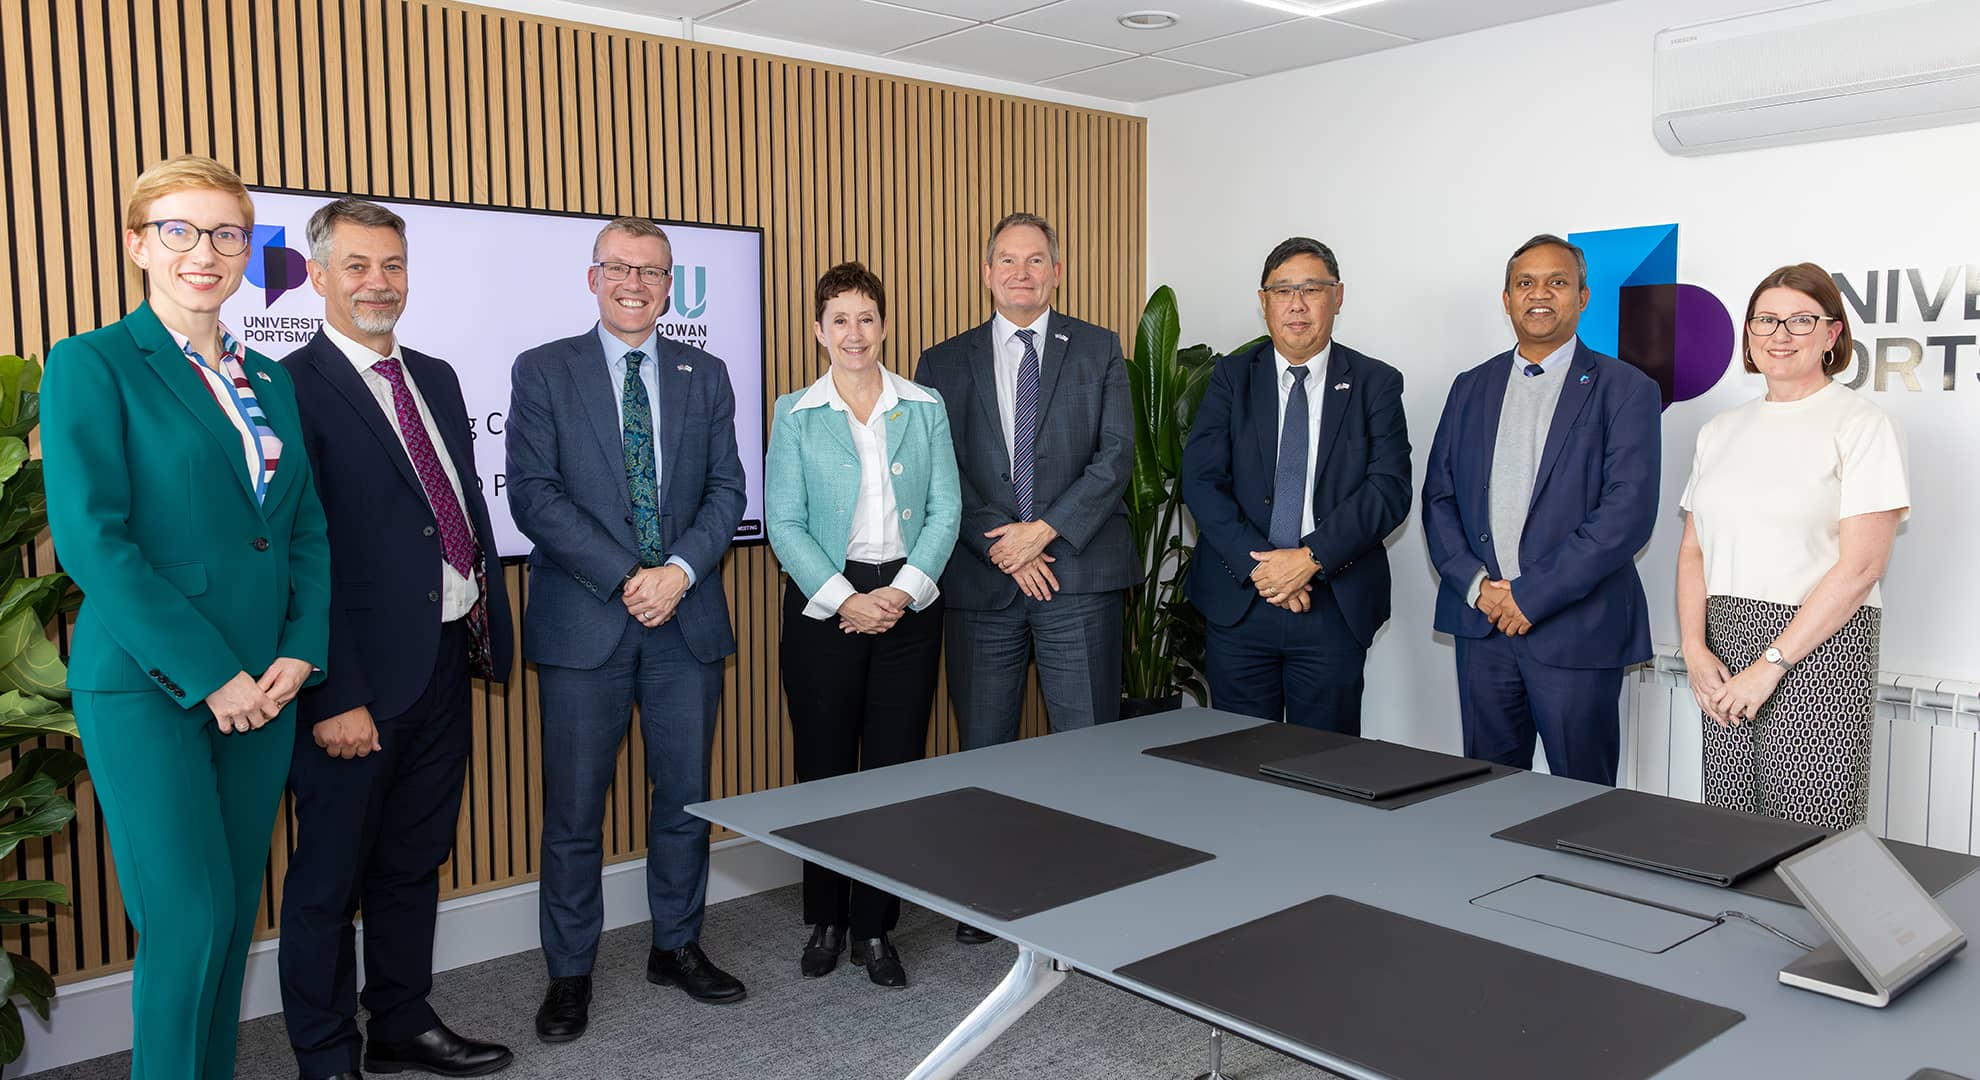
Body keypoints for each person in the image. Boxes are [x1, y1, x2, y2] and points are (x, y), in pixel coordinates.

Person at [40, 154, 330, 1080]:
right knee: (188, 921)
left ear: (248, 247)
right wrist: (213, 676)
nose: (204, 252)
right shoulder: (93, 364)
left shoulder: (271, 381)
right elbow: (95, 543)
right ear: (138, 245)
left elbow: (306, 535)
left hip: (265, 690)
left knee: (232, 916)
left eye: (226, 233)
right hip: (152, 684)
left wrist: (300, 651)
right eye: (179, 230)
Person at [277, 198, 514, 1079]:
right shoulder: (290, 387)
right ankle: (326, 1054)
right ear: (317, 276)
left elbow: (453, 514)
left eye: (393, 266)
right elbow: (300, 553)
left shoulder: (439, 377)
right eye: (357, 266)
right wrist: (335, 691)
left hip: (445, 660)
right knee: (329, 884)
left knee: (415, 859)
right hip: (352, 679)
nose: (378, 283)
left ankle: (401, 1024)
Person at [507, 217, 749, 1043]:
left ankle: (676, 945)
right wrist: (626, 576)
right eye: (620, 268)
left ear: (670, 284)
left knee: (684, 800)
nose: (635, 283)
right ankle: (569, 972)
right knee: (575, 811)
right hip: (587, 624)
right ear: (593, 277)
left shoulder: (705, 372)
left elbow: (726, 491)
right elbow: (533, 496)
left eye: (651, 271)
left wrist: (676, 573)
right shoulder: (544, 370)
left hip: (685, 623)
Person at [913, 211, 1134, 945]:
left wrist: (1043, 533)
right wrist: (1004, 546)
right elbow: (937, 474)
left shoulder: (1099, 348)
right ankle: (988, 896)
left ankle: (1086, 892)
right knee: (986, 748)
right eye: (1006, 260)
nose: (1020, 272)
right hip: (984, 586)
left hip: (1079, 574)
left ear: (1057, 271)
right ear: (986, 273)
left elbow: (1115, 458)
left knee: (1088, 746)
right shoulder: (942, 362)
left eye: (1035, 260)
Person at [766, 262, 960, 987]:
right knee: (822, 770)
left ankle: (875, 928)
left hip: (907, 604)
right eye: (839, 319)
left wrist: (903, 592)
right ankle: (827, 917)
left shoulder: (924, 405)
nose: (854, 333)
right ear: (819, 331)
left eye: (866, 318)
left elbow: (947, 509)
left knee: (891, 772)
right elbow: (783, 521)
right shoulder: (796, 412)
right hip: (825, 605)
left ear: (884, 325)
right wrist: (846, 597)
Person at [1421, 234, 1660, 786]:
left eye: (1557, 282)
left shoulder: (1625, 389)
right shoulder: (1470, 387)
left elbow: (1626, 514)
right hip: (1483, 628)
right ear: (1506, 299)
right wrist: (1479, 588)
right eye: (1525, 283)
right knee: (1486, 791)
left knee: (1581, 801)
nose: (1540, 295)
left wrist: (1531, 595)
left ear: (1583, 297)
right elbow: (1439, 499)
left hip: (1575, 630)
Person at [1678, 263, 1907, 828]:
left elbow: (1862, 568)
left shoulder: (1861, 425)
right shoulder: (1719, 430)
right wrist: (1694, 648)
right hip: (1724, 640)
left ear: (1832, 334)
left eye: (1801, 320)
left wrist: (1773, 663)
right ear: (1750, 335)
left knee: (1810, 834)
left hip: (1821, 648)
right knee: (1728, 827)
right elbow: (1694, 552)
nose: (1780, 334)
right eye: (1767, 320)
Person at [1180, 237, 1411, 734]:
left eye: (1312, 288)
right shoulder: (1230, 377)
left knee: (1326, 768)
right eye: (1283, 290)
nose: (1297, 304)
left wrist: (1308, 560)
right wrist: (1262, 568)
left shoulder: (1376, 382)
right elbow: (1200, 479)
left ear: (1338, 296)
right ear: (1264, 302)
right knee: (1236, 764)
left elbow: (1388, 489)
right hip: (1242, 601)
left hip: (1332, 602)